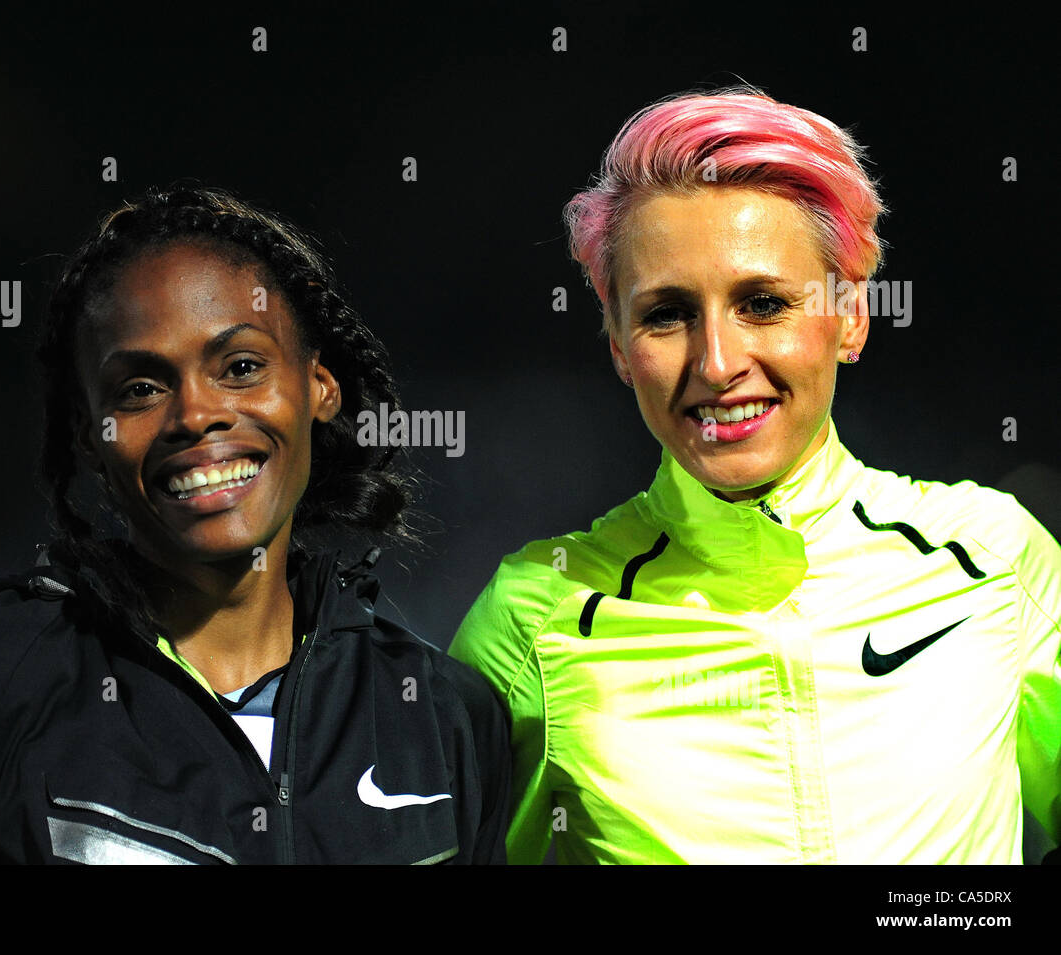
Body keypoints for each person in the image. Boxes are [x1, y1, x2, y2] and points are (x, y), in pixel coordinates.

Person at [0, 184, 510, 865]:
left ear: (318, 387)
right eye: (141, 388)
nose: (195, 415)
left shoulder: (443, 715)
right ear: (89, 435)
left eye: (240, 366)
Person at [449, 87, 1061, 864]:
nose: (717, 363)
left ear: (851, 316)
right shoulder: (533, 617)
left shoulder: (997, 557)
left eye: (764, 302)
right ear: (616, 345)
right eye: (665, 314)